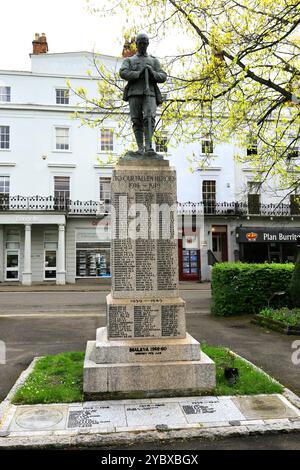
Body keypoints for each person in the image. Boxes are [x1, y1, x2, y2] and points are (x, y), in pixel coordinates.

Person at [119, 33, 167, 153]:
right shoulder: (130, 60)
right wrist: (138, 74)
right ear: (136, 44)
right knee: (136, 120)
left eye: (144, 43)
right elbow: (123, 72)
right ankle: (140, 148)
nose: (142, 45)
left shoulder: (153, 61)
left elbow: (163, 76)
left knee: (149, 118)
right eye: (140, 43)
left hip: (150, 93)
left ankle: (149, 146)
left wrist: (152, 73)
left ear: (148, 44)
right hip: (134, 93)